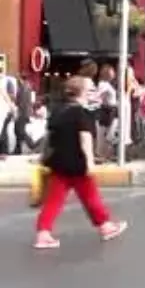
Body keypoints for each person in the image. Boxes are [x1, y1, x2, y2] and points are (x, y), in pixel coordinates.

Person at [32, 76, 129, 249]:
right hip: (78, 163)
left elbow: (49, 137)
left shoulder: (58, 111)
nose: (94, 92)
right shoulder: (82, 113)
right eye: (91, 89)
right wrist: (90, 161)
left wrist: (42, 157)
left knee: (54, 200)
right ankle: (106, 226)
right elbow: (85, 138)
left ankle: (43, 233)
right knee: (91, 196)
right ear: (81, 92)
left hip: (58, 163)